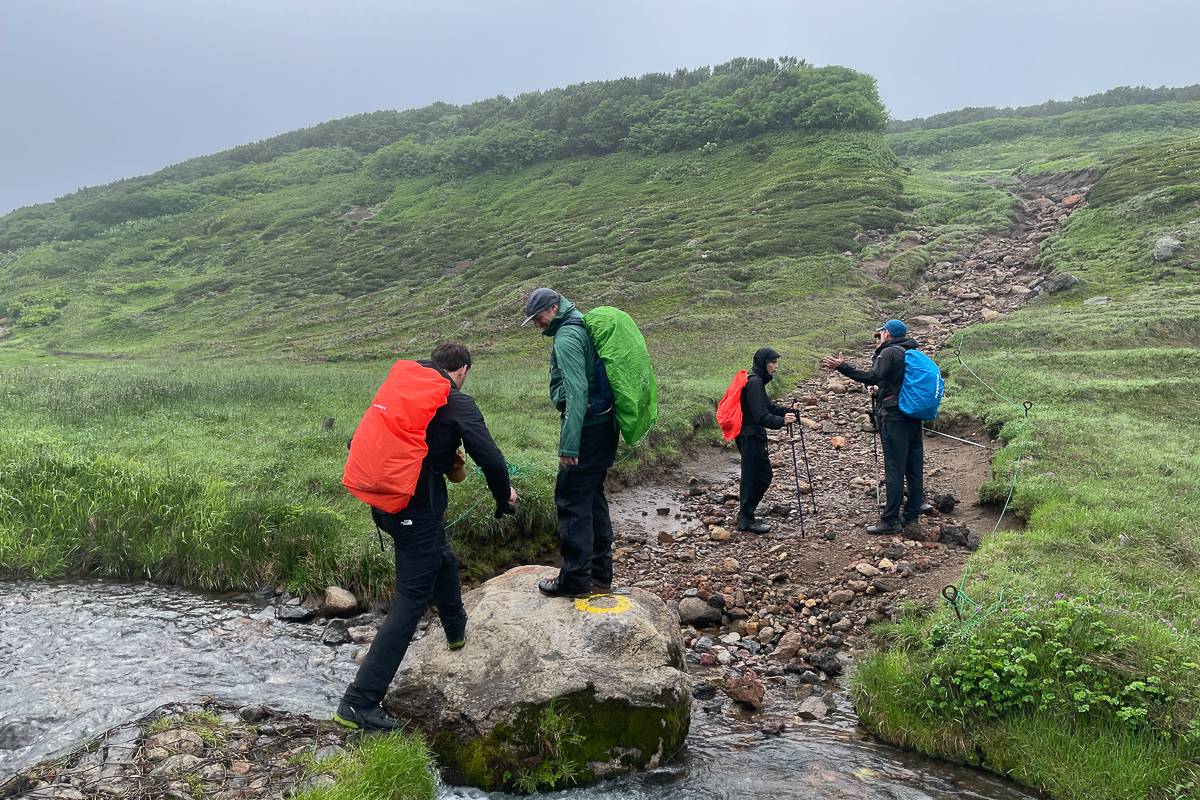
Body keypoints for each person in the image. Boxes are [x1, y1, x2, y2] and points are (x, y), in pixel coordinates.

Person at [335, 342, 517, 731]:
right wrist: (505, 498)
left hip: (384, 500)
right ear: (463, 370)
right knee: (410, 602)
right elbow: (491, 457)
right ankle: (359, 701)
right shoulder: (456, 402)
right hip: (412, 506)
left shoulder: (404, 387)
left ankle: (455, 629)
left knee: (442, 555)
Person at [522, 288, 618, 598]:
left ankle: (575, 579)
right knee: (592, 498)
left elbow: (577, 392)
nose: (537, 324)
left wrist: (569, 445)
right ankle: (601, 576)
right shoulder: (582, 325)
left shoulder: (566, 337)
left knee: (572, 500)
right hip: (605, 425)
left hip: (587, 429)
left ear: (552, 308)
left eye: (537, 318)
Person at [821, 319, 924, 535]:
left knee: (894, 468)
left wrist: (842, 367)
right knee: (914, 465)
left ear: (887, 333)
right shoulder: (912, 350)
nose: (880, 336)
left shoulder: (889, 353)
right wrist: (879, 391)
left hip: (895, 417)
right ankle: (912, 513)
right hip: (913, 415)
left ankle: (890, 521)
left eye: (882, 332)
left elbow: (872, 376)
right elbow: (894, 382)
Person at [735, 347, 797, 534]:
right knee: (757, 476)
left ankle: (747, 514)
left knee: (756, 475)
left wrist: (790, 411)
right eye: (773, 363)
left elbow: (767, 406)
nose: (776, 367)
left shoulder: (756, 380)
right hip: (750, 435)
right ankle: (745, 518)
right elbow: (761, 415)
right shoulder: (754, 383)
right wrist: (782, 421)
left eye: (776, 362)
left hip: (749, 434)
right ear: (763, 363)